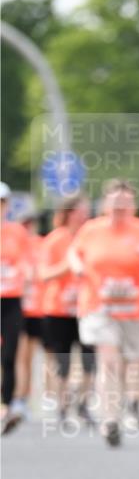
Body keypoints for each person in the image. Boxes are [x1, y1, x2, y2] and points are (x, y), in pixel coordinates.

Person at [69, 180, 139, 446]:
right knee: (108, 360)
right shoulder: (91, 230)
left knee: (131, 363)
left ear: (133, 206)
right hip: (99, 306)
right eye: (115, 202)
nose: (120, 207)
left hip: (135, 308)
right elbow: (74, 254)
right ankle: (109, 419)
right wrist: (78, 267)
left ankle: (127, 404)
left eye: (125, 202)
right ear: (105, 204)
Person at [39, 194, 96, 426]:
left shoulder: (92, 236)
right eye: (81, 211)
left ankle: (83, 404)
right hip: (59, 308)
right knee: (61, 360)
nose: (86, 215)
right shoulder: (55, 239)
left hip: (86, 307)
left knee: (88, 358)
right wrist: (70, 265)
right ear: (69, 212)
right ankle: (62, 406)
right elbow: (43, 274)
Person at [12, 208, 45, 427]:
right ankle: (17, 397)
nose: (28, 228)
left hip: (37, 307)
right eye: (25, 224)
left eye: (31, 224)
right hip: (19, 307)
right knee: (18, 356)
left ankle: (25, 397)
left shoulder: (41, 245)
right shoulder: (14, 245)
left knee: (30, 358)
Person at [0, 183, 30, 434]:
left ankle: (6, 406)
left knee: (9, 355)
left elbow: (27, 261)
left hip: (10, 299)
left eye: (2, 202)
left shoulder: (17, 232)